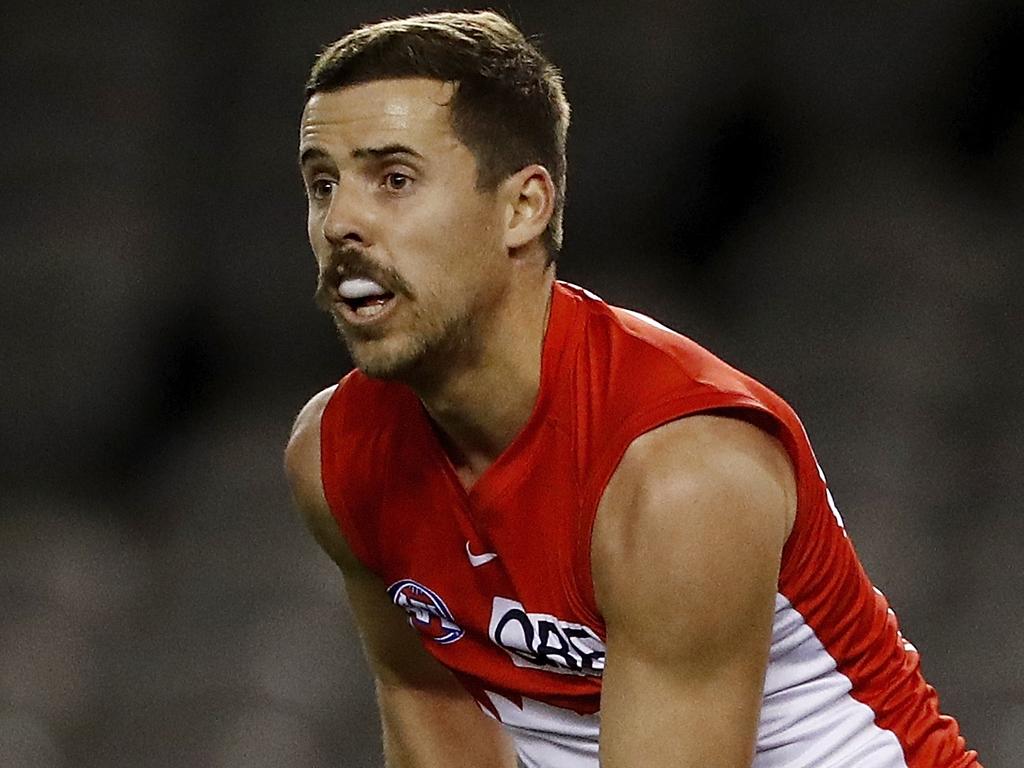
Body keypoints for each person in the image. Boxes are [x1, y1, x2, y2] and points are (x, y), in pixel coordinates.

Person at [284, 10, 981, 767]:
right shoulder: (336, 455)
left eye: (394, 179)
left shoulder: (679, 476)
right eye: (324, 184)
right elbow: (432, 706)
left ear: (523, 208)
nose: (341, 222)